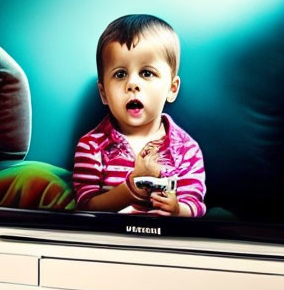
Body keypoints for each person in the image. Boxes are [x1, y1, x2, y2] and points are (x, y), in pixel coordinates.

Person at [72, 14, 206, 217]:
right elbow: (85, 207)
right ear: (103, 94)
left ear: (171, 88)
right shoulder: (91, 146)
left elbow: (195, 205)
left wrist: (178, 209)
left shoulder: (187, 149)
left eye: (146, 73)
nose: (132, 84)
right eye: (120, 74)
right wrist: (131, 189)